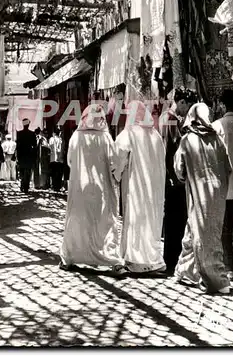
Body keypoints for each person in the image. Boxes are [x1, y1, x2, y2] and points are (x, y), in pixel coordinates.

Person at [60, 104, 127, 276]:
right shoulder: (105, 137)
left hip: (80, 188)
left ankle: (71, 257)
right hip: (102, 189)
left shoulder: (76, 136)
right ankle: (109, 258)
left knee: (78, 222)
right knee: (104, 222)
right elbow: (114, 162)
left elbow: (69, 161)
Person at [173, 103, 232, 294]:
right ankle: (185, 270)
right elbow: (228, 167)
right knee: (201, 229)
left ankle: (218, 281)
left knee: (204, 234)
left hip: (199, 193)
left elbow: (179, 170)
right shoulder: (218, 140)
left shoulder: (187, 140)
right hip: (218, 192)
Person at [113, 101, 166, 273]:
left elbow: (117, 157)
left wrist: (116, 175)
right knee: (151, 222)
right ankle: (153, 259)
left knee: (136, 219)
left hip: (135, 186)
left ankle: (136, 260)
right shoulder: (156, 135)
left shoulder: (128, 134)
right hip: (154, 188)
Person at [160, 87, 198, 274]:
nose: (188, 110)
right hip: (175, 180)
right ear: (181, 102)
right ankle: (172, 261)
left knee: (173, 220)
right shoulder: (172, 120)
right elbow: (174, 151)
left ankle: (170, 259)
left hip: (170, 178)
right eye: (187, 105)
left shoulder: (166, 118)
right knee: (176, 220)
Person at [212, 89, 233, 282]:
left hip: (223, 186)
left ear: (222, 105)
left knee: (225, 228)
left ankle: (229, 266)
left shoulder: (216, 126)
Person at [16, 119, 37, 194]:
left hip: (21, 155)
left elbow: (17, 146)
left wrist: (16, 155)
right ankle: (26, 187)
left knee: (21, 172)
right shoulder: (32, 134)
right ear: (29, 124)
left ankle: (22, 184)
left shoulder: (19, 133)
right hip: (29, 155)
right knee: (27, 172)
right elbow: (35, 146)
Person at [49, 126, 64, 191]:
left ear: (54, 133)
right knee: (59, 173)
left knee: (53, 173)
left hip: (53, 158)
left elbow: (50, 147)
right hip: (60, 159)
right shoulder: (61, 140)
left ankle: (54, 186)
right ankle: (58, 186)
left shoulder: (51, 139)